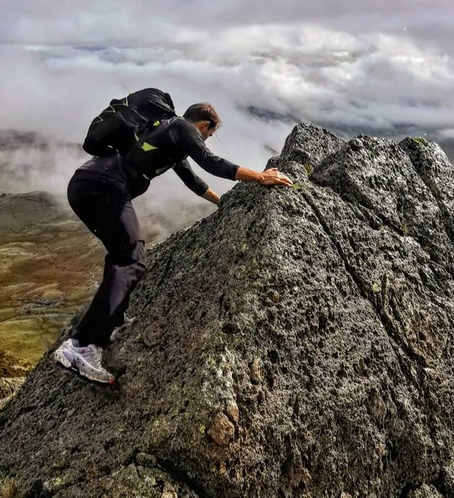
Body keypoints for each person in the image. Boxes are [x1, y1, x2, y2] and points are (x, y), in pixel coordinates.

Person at [52, 102, 293, 384]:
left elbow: (193, 179)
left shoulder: (167, 135)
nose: (206, 139)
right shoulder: (182, 127)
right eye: (209, 134)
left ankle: (114, 318)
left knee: (122, 253)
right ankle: (82, 345)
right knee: (132, 258)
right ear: (204, 125)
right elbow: (210, 161)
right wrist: (260, 177)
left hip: (86, 183)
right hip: (102, 184)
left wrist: (222, 202)